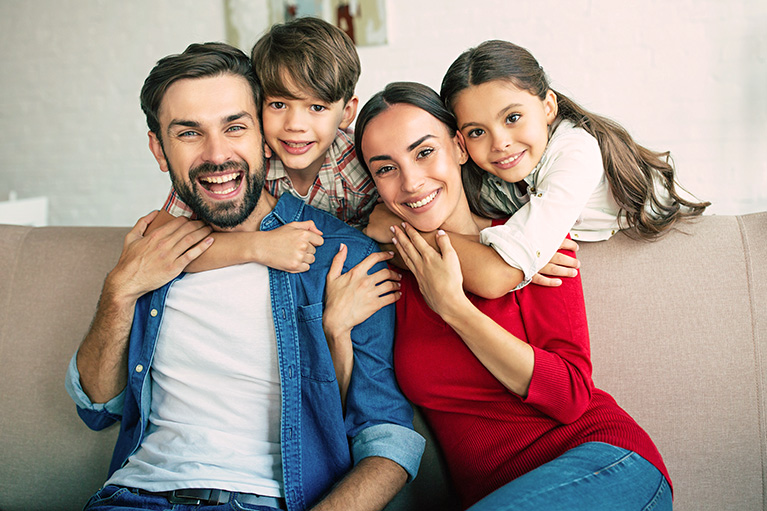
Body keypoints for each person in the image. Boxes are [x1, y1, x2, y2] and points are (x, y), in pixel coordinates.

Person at [65, 43, 424, 511]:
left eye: (234, 127)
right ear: (159, 149)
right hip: (132, 498)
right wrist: (118, 291)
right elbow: (97, 408)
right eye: (189, 133)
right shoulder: (155, 252)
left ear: (261, 134)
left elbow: (389, 440)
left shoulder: (345, 256)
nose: (217, 155)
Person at [353, 81, 672, 510]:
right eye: (386, 168)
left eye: (424, 152)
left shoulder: (529, 245)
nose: (411, 181)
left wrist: (454, 307)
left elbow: (571, 395)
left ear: (460, 148)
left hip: (605, 464)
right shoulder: (388, 270)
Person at [438, 39, 710, 290]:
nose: (499, 143)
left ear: (548, 107)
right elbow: (458, 221)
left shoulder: (576, 154)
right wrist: (527, 250)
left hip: (677, 243)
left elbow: (500, 270)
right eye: (477, 132)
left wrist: (524, 254)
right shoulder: (488, 167)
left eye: (512, 118)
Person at [157, 17, 378, 278]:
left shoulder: (361, 164)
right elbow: (161, 247)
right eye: (278, 105)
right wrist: (258, 246)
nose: (295, 125)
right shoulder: (237, 162)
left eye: (317, 108)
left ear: (346, 113)